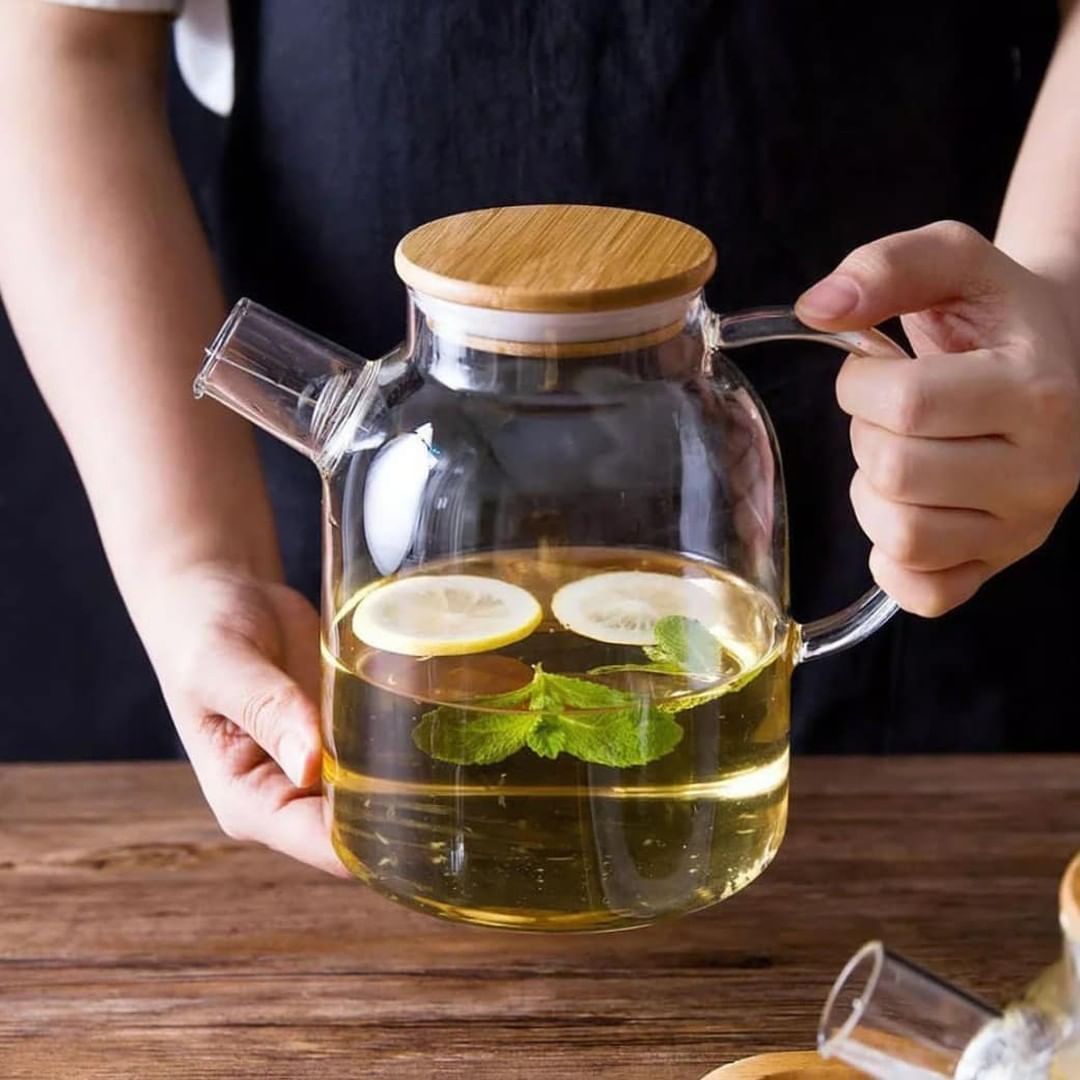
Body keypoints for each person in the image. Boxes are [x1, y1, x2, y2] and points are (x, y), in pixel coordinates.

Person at [1, 0, 1077, 875]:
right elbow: (63, 36)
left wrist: (1054, 302)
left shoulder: (720, 404)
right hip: (315, 598)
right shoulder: (390, 441)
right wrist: (197, 563)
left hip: (956, 619)